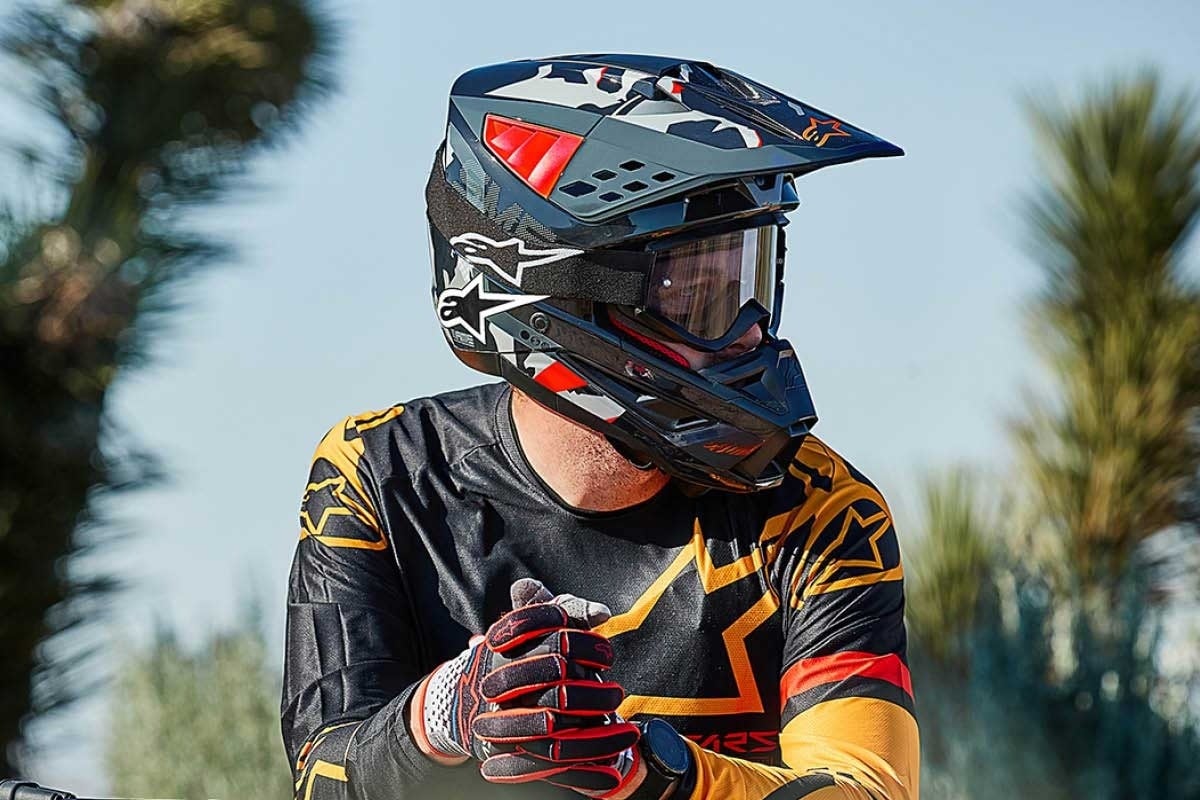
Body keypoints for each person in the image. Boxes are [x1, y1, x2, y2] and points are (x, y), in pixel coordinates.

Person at [282, 54, 918, 800]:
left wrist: (644, 772)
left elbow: (866, 787)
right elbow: (325, 773)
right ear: (560, 294)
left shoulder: (822, 510)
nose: (749, 334)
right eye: (704, 299)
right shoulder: (380, 473)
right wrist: (451, 708)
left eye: (754, 283)